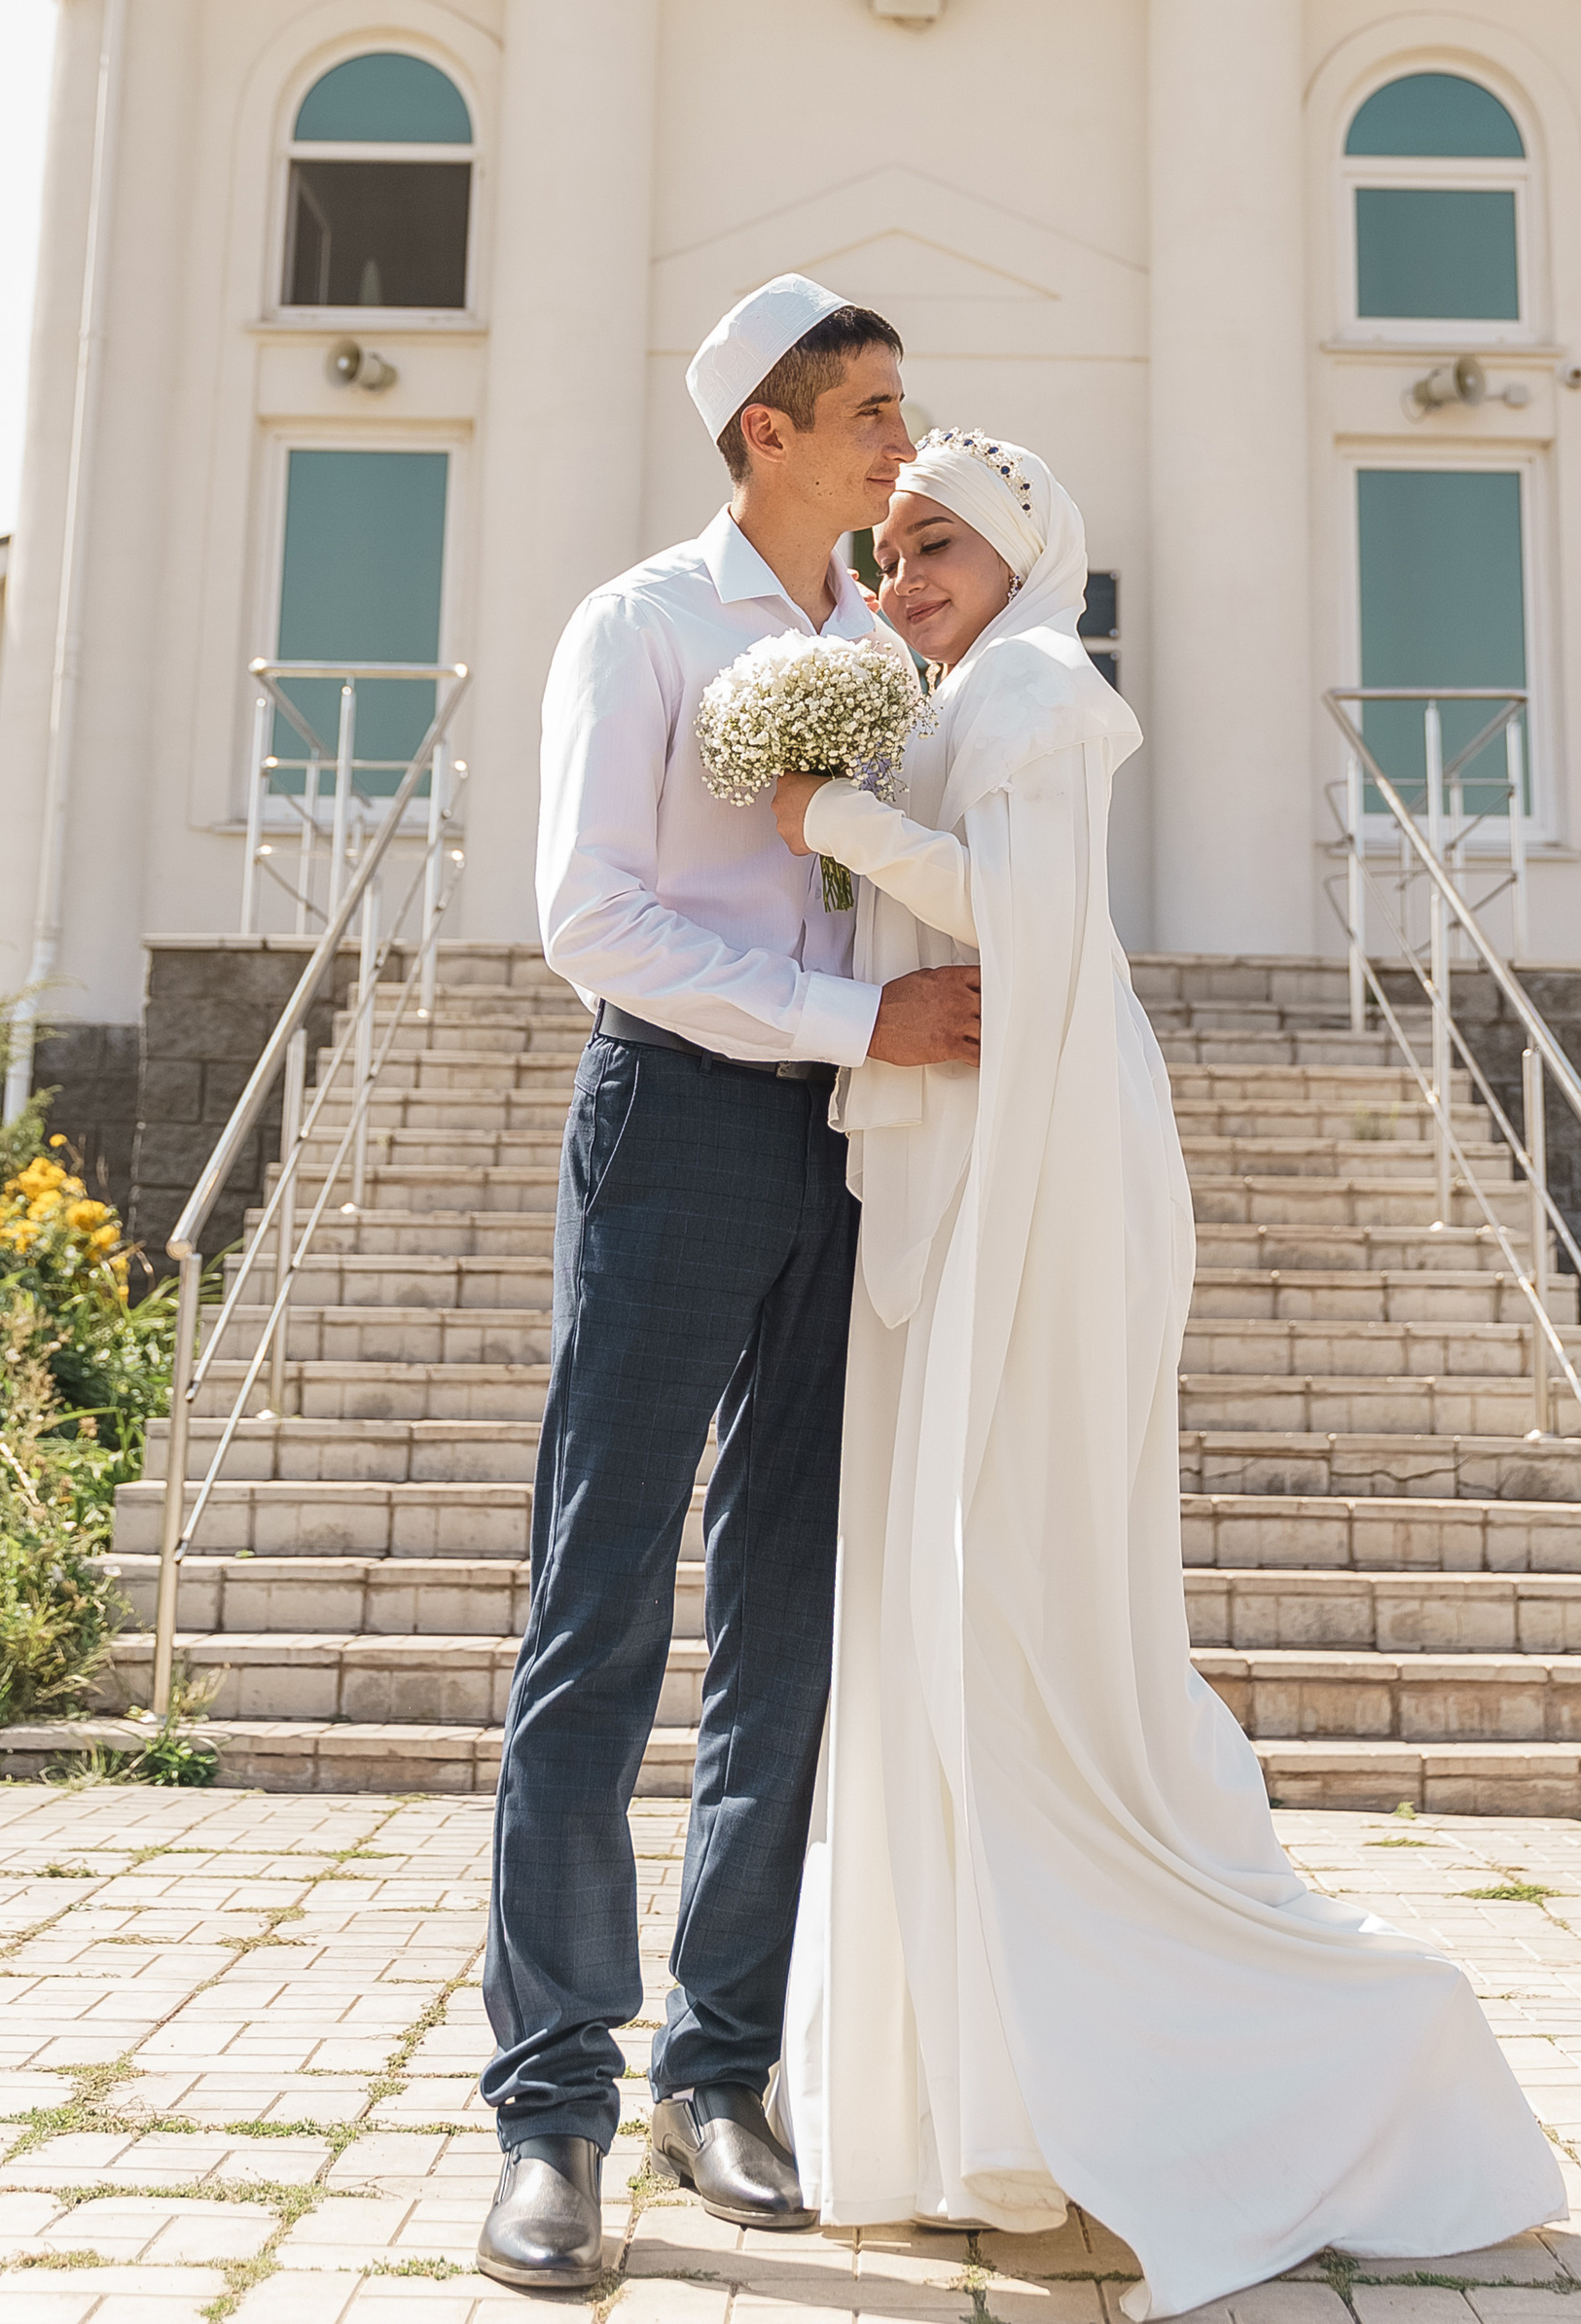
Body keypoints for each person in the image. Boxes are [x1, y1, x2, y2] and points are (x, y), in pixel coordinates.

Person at [774, 428, 1563, 2317]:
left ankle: (1267, 2070)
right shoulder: (957, 697)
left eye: (936, 544)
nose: (903, 586)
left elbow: (1030, 927)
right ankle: (983, 2106)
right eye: (886, 558)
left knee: (1017, 1618)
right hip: (976, 1159)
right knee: (945, 1625)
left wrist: (822, 813)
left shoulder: (1042, 686)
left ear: (1023, 546)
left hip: (1049, 1176)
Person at [475, 279, 982, 2293]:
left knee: (787, 1622)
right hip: (679, 1117)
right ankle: (549, 2117)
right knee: (594, 1618)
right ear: (764, 435)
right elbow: (585, 914)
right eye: (865, 414)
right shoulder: (642, 627)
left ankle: (724, 2074)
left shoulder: (888, 652)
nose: (895, 447)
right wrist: (836, 1012)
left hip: (852, 1155)